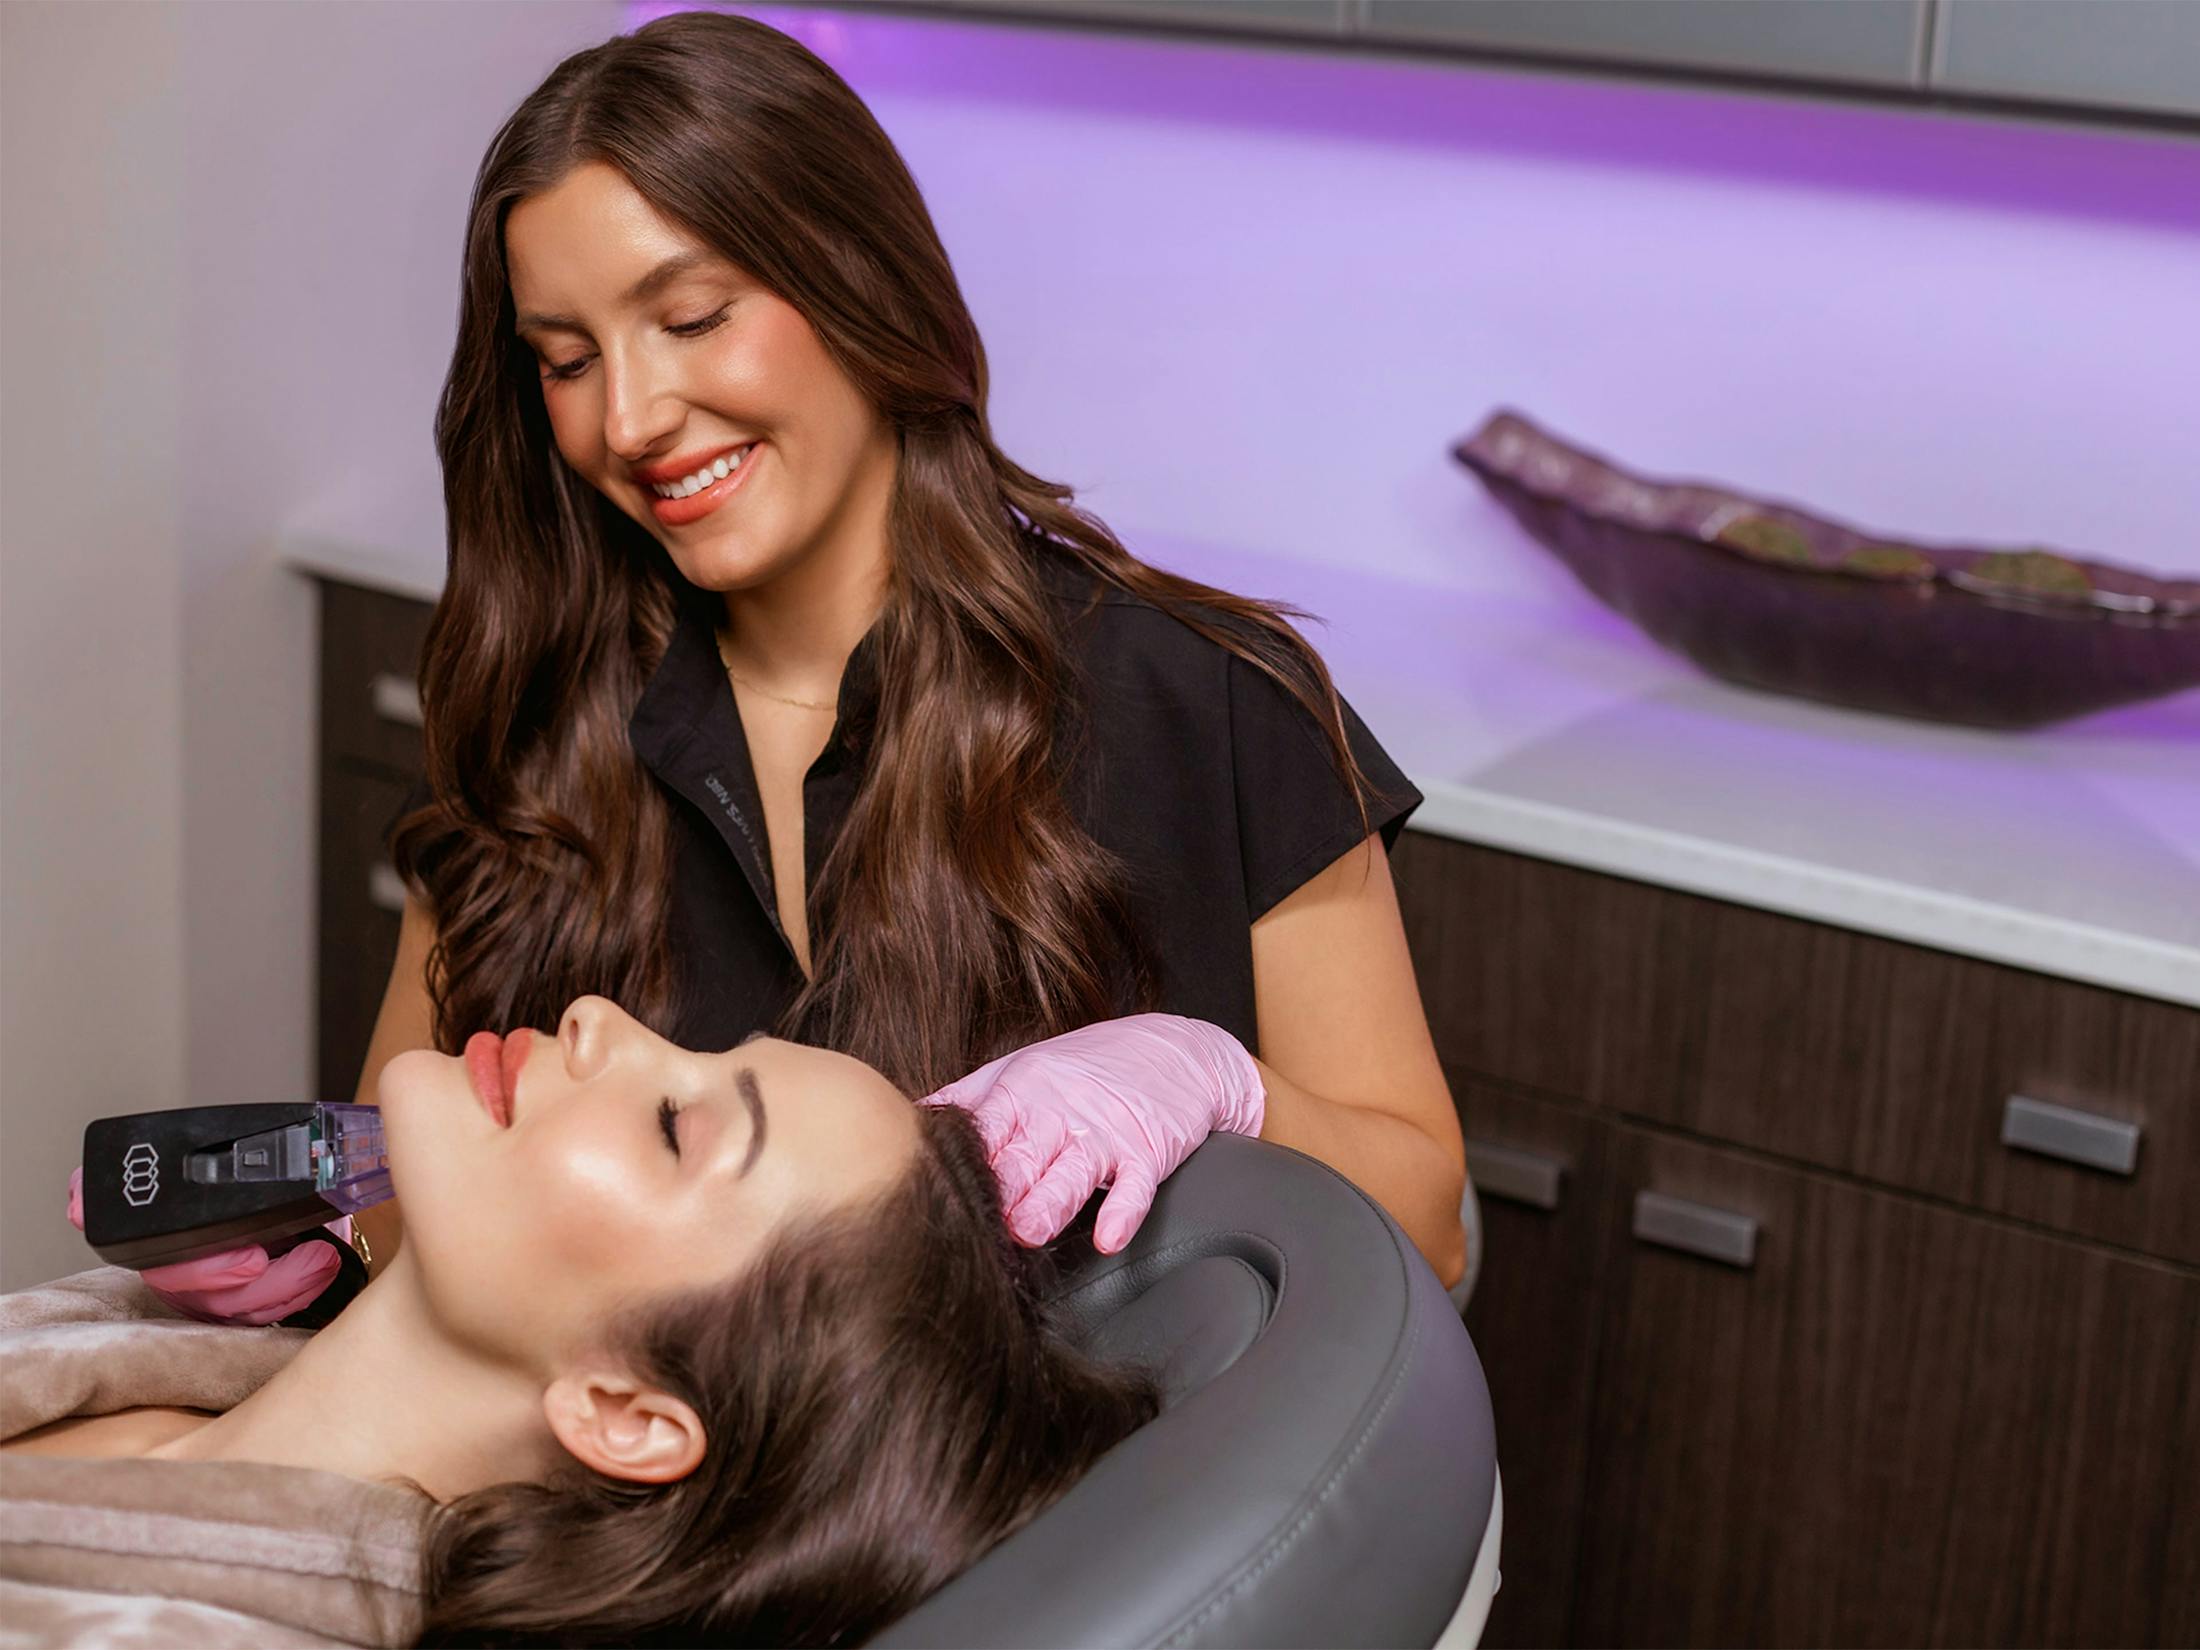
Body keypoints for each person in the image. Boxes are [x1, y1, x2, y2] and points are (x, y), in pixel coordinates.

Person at [109, 6, 1469, 1328]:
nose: (629, 419)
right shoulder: (534, 743)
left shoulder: (1212, 702)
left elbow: (1432, 1233)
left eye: (693, 316)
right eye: (567, 361)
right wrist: (328, 1241)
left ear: (858, 279)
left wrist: (1221, 1082)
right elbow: (418, 1207)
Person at [4, 996, 1163, 1648]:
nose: (598, 1016)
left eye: (671, 1127)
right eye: (699, 1051)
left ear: (626, 1413)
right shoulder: (142, 1353)